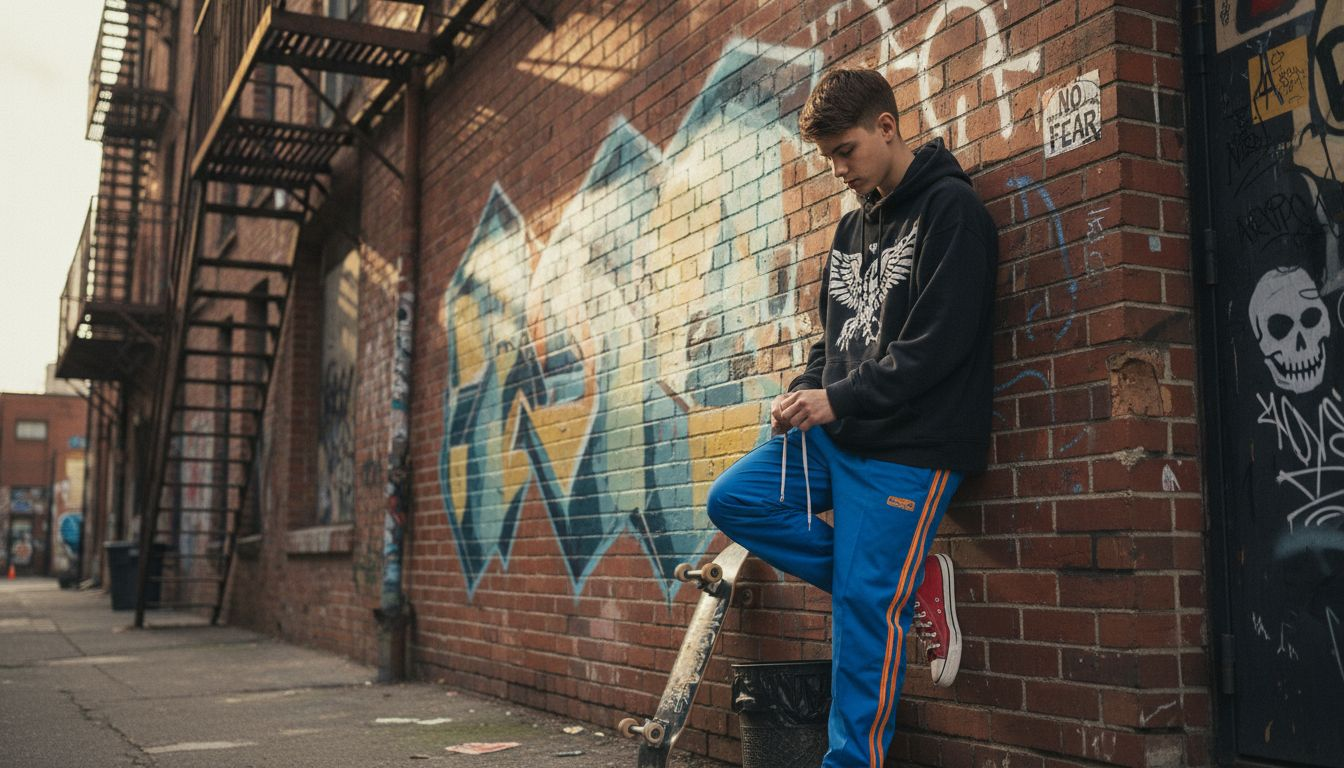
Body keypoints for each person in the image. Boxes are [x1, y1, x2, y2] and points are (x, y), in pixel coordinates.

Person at [707, 67, 997, 768]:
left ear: (887, 128)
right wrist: (805, 390)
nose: (837, 169)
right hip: (837, 433)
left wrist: (835, 399)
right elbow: (829, 338)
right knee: (735, 500)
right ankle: (908, 576)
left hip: (911, 447)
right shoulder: (847, 229)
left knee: (865, 615)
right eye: (829, 156)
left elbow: (937, 348)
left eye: (845, 151)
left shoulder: (953, 212)